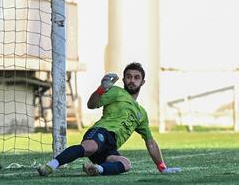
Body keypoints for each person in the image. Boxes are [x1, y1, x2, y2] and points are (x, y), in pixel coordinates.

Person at [37, 62, 181, 176]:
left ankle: (96, 169)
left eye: (136, 77)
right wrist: (101, 88)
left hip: (111, 146)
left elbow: (150, 143)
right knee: (89, 147)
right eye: (129, 77)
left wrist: (162, 167)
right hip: (102, 132)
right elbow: (91, 104)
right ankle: (51, 166)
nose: (132, 80)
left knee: (125, 163)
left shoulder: (141, 114)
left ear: (142, 82)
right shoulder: (116, 92)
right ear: (124, 79)